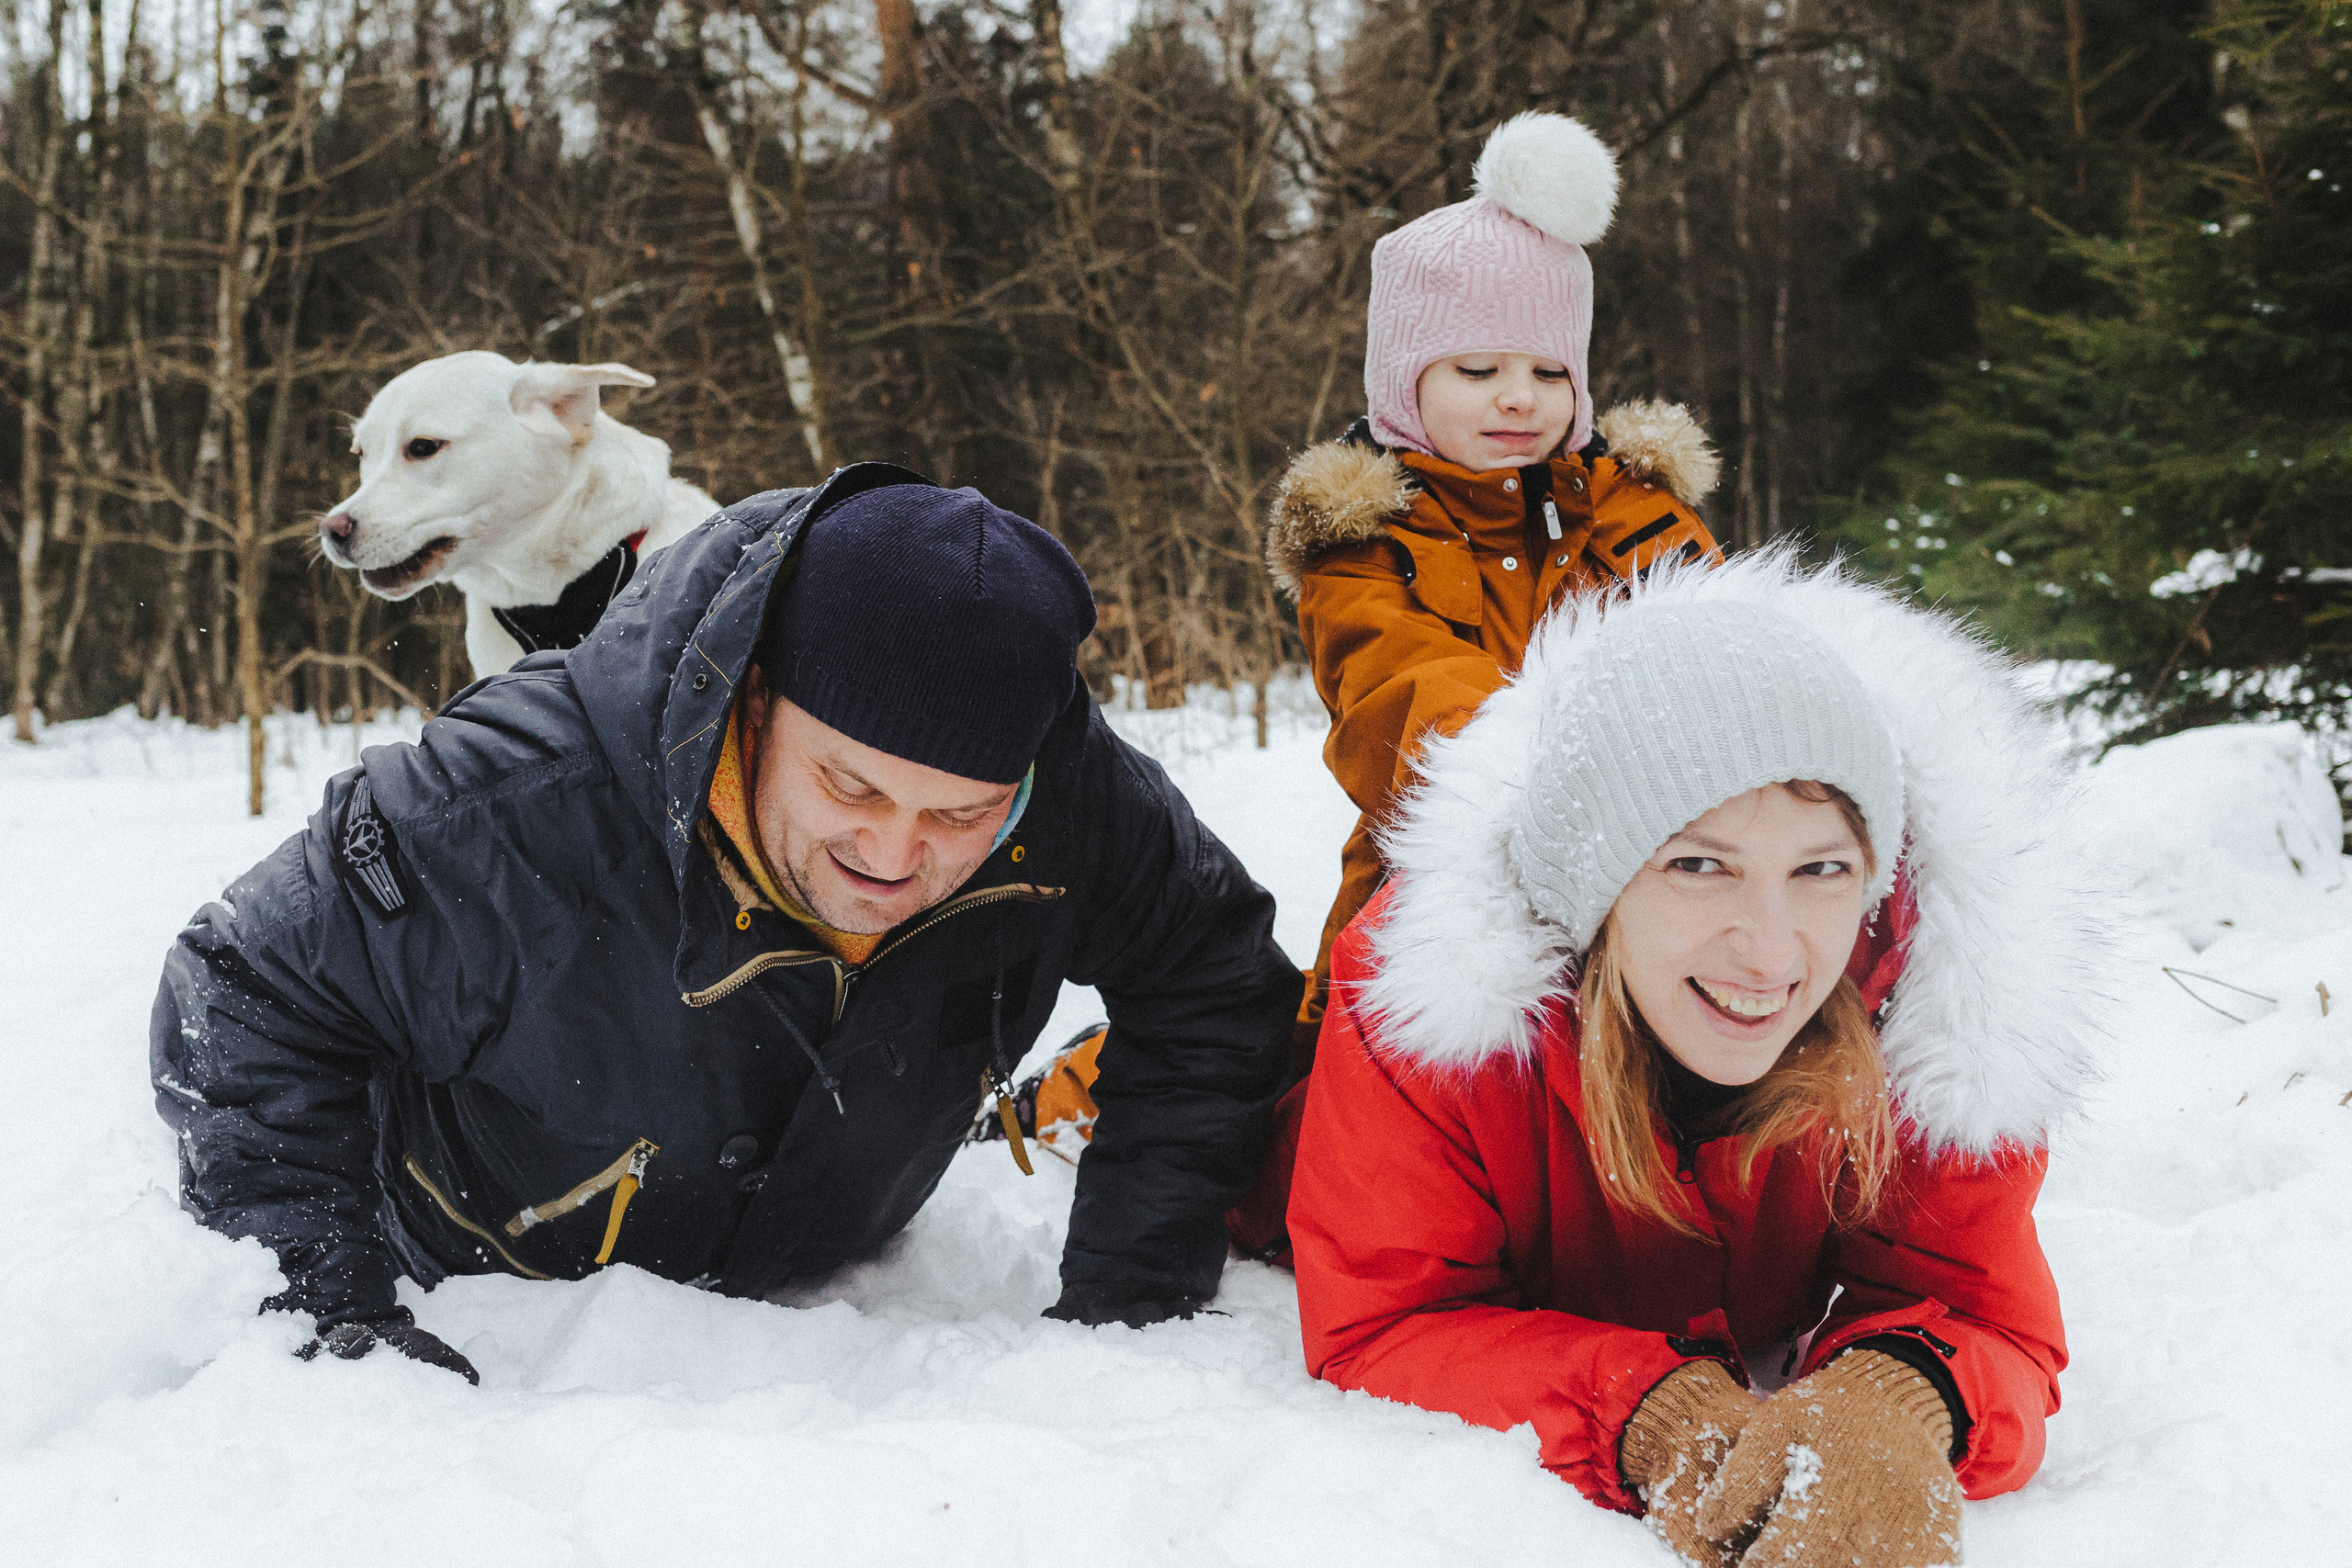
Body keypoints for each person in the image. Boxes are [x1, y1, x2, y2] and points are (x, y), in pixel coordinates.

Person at [152, 464, 1301, 1381]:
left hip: (832, 1309)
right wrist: (327, 1318)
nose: (895, 857)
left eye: (963, 815)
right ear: (753, 703)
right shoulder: (508, 804)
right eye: (850, 789)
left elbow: (1216, 983)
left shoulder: (1080, 797)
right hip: (489, 1293)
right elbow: (243, 986)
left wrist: (1127, 1299)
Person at [1288, 553, 2107, 1567]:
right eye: (1696, 864)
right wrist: (1646, 1413)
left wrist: (1901, 1398)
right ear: (1593, 877)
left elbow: (1983, 1314)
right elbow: (1380, 1322)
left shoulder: (1931, 1013)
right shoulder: (1433, 1009)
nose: (1768, 949)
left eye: (1819, 869)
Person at [1266, 110, 1722, 1068]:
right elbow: (1391, 684)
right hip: (1435, 887)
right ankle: (1096, 1085)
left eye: (1548, 370)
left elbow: (1727, 645)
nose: (1518, 396)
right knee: (1289, 1134)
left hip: (1646, 881)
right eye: (1477, 369)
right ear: (1404, 383)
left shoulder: (1632, 511)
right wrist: (1558, 777)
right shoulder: (1364, 541)